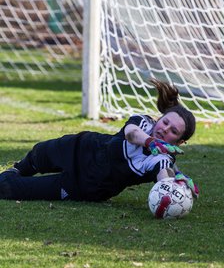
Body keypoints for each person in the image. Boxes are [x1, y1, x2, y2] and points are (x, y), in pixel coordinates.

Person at [0, 79, 199, 202]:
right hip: (80, 148)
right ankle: (16, 169)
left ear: (179, 142)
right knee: (38, 155)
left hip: (82, 185)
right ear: (159, 118)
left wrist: (175, 186)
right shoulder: (144, 123)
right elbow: (131, 133)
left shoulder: (160, 160)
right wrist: (150, 142)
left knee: (8, 188)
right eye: (165, 122)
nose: (164, 129)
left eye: (173, 131)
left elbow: (164, 175)